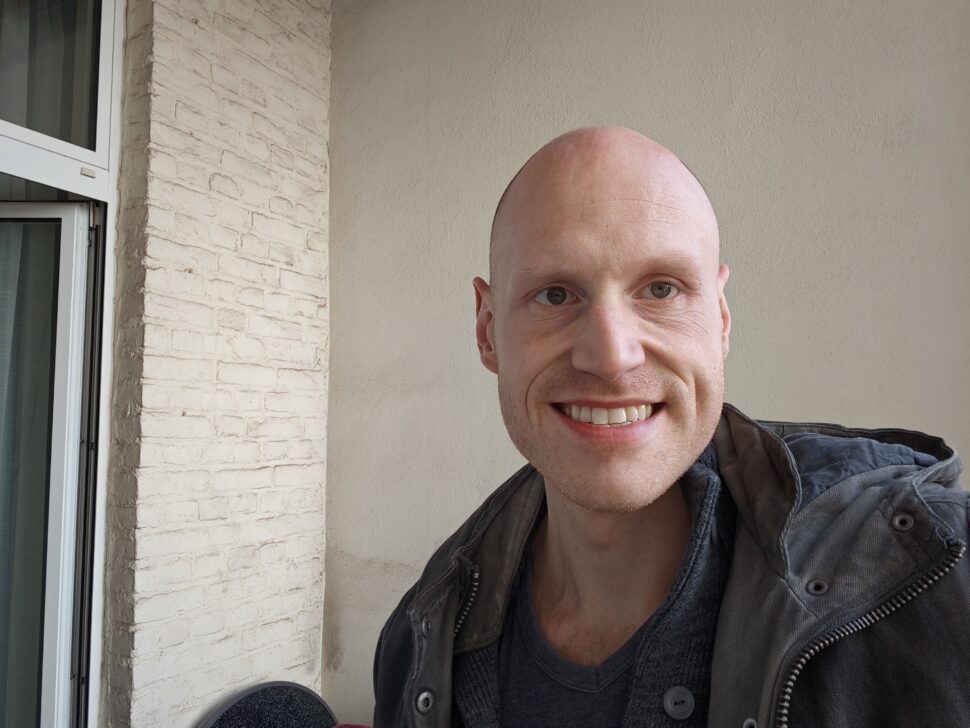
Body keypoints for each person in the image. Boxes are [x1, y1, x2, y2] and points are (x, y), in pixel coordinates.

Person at [371, 127, 970, 727]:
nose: (611, 356)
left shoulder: (943, 578)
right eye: (555, 295)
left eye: (661, 290)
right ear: (487, 330)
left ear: (721, 320)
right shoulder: (420, 640)